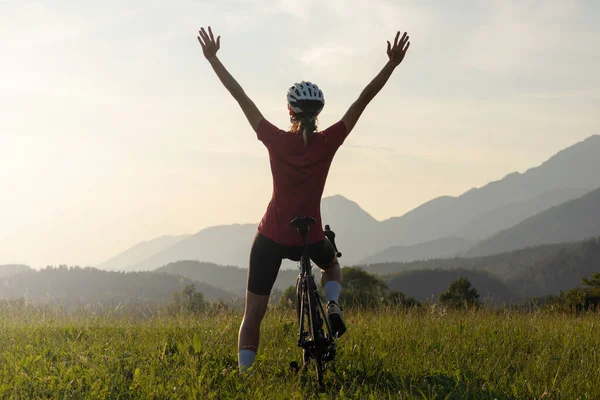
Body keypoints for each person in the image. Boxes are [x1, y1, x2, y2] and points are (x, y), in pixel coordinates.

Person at [196, 26, 410, 372]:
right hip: (309, 237)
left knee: (253, 315)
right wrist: (392, 65)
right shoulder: (328, 142)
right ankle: (332, 303)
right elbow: (361, 101)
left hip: (270, 236)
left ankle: (245, 376)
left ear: (291, 112)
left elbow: (241, 97)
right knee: (333, 264)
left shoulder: (275, 140)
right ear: (317, 113)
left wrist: (213, 59)